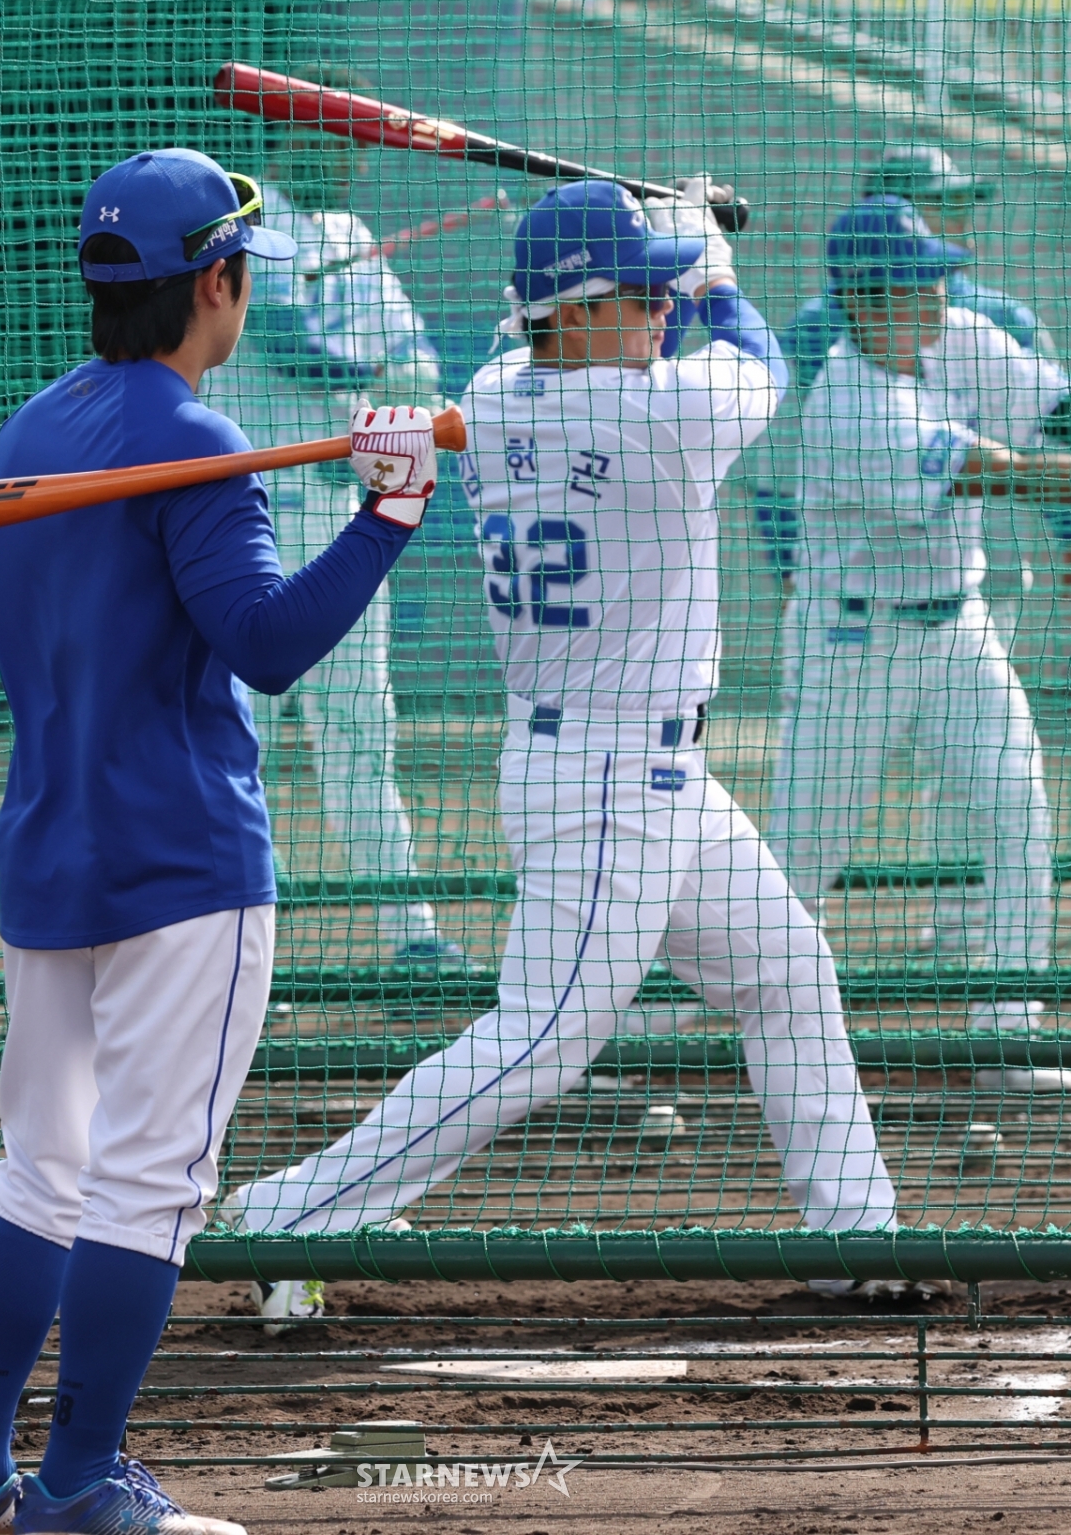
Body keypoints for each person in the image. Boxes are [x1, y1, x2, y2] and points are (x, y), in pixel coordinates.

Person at [222, 178, 919, 1315]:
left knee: (787, 974)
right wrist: (708, 254)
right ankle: (293, 1210)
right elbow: (756, 358)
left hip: (636, 767)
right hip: (606, 778)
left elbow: (656, 351)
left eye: (660, 294)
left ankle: (858, 1235)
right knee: (545, 1037)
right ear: (577, 311)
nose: (661, 311)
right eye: (638, 296)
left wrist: (663, 245)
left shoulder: (497, 390)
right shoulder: (654, 415)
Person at [0, 147, 441, 1535]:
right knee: (148, 1184)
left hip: (48, 850)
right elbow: (265, 644)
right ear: (215, 284)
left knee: (40, 1175)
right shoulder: (200, 439)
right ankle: (80, 1484)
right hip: (183, 861)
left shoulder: (26, 431)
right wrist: (388, 514)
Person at [766, 196, 1071, 1095]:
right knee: (798, 857)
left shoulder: (961, 335)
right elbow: (994, 473)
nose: (937, 295)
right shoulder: (847, 401)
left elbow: (1055, 409)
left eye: (936, 275)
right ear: (863, 300)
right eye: (913, 284)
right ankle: (642, 1024)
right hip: (854, 641)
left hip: (959, 629)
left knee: (1017, 813)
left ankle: (1008, 1035)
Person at [205, 64, 467, 973]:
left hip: (335, 521)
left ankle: (410, 933)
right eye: (339, 138)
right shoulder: (245, 223)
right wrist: (370, 374)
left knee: (362, 732)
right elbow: (285, 341)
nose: (356, 159)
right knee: (239, 735)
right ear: (294, 134)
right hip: (248, 525)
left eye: (359, 141)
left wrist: (408, 381)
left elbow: (414, 352)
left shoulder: (352, 237)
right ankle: (226, 938)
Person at [760, 144, 1070, 654]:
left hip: (977, 581)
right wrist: (785, 563)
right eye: (943, 203)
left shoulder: (982, 321)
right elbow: (777, 461)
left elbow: (1056, 418)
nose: (962, 217)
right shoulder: (825, 348)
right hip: (859, 619)